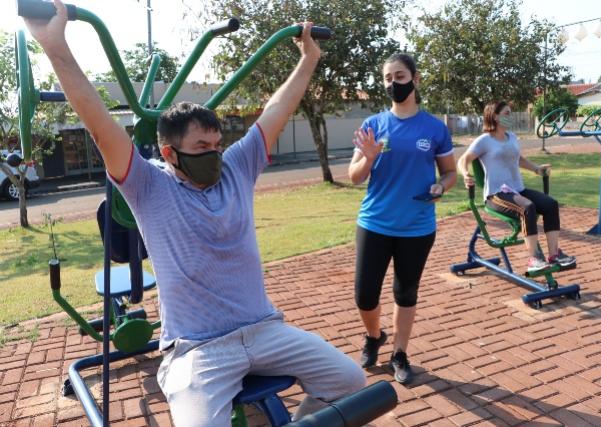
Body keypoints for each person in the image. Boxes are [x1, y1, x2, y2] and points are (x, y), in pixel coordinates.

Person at [24, 1, 365, 425]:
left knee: (349, 381)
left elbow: (278, 110)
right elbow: (98, 122)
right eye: (202, 148)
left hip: (264, 329)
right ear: (169, 153)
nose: (215, 154)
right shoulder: (148, 184)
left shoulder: (237, 168)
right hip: (198, 349)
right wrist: (56, 47)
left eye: (217, 143)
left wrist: (309, 59)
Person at [348, 53, 457, 385]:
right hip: (374, 223)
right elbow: (354, 177)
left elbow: (450, 172)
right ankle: (373, 335)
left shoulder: (435, 128)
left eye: (399, 76)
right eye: (386, 78)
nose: (392, 83)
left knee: (404, 293)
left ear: (415, 79)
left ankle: (400, 352)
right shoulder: (373, 126)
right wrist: (368, 159)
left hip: (417, 227)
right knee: (365, 295)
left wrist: (441, 186)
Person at [457, 100, 577, 273]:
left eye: (510, 113)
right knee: (528, 207)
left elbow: (518, 159)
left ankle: (554, 254)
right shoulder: (484, 140)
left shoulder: (512, 137)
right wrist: (465, 174)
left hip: (517, 189)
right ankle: (535, 259)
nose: (510, 117)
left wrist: (536, 169)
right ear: (495, 117)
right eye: (506, 114)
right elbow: (463, 159)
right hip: (496, 194)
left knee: (551, 204)